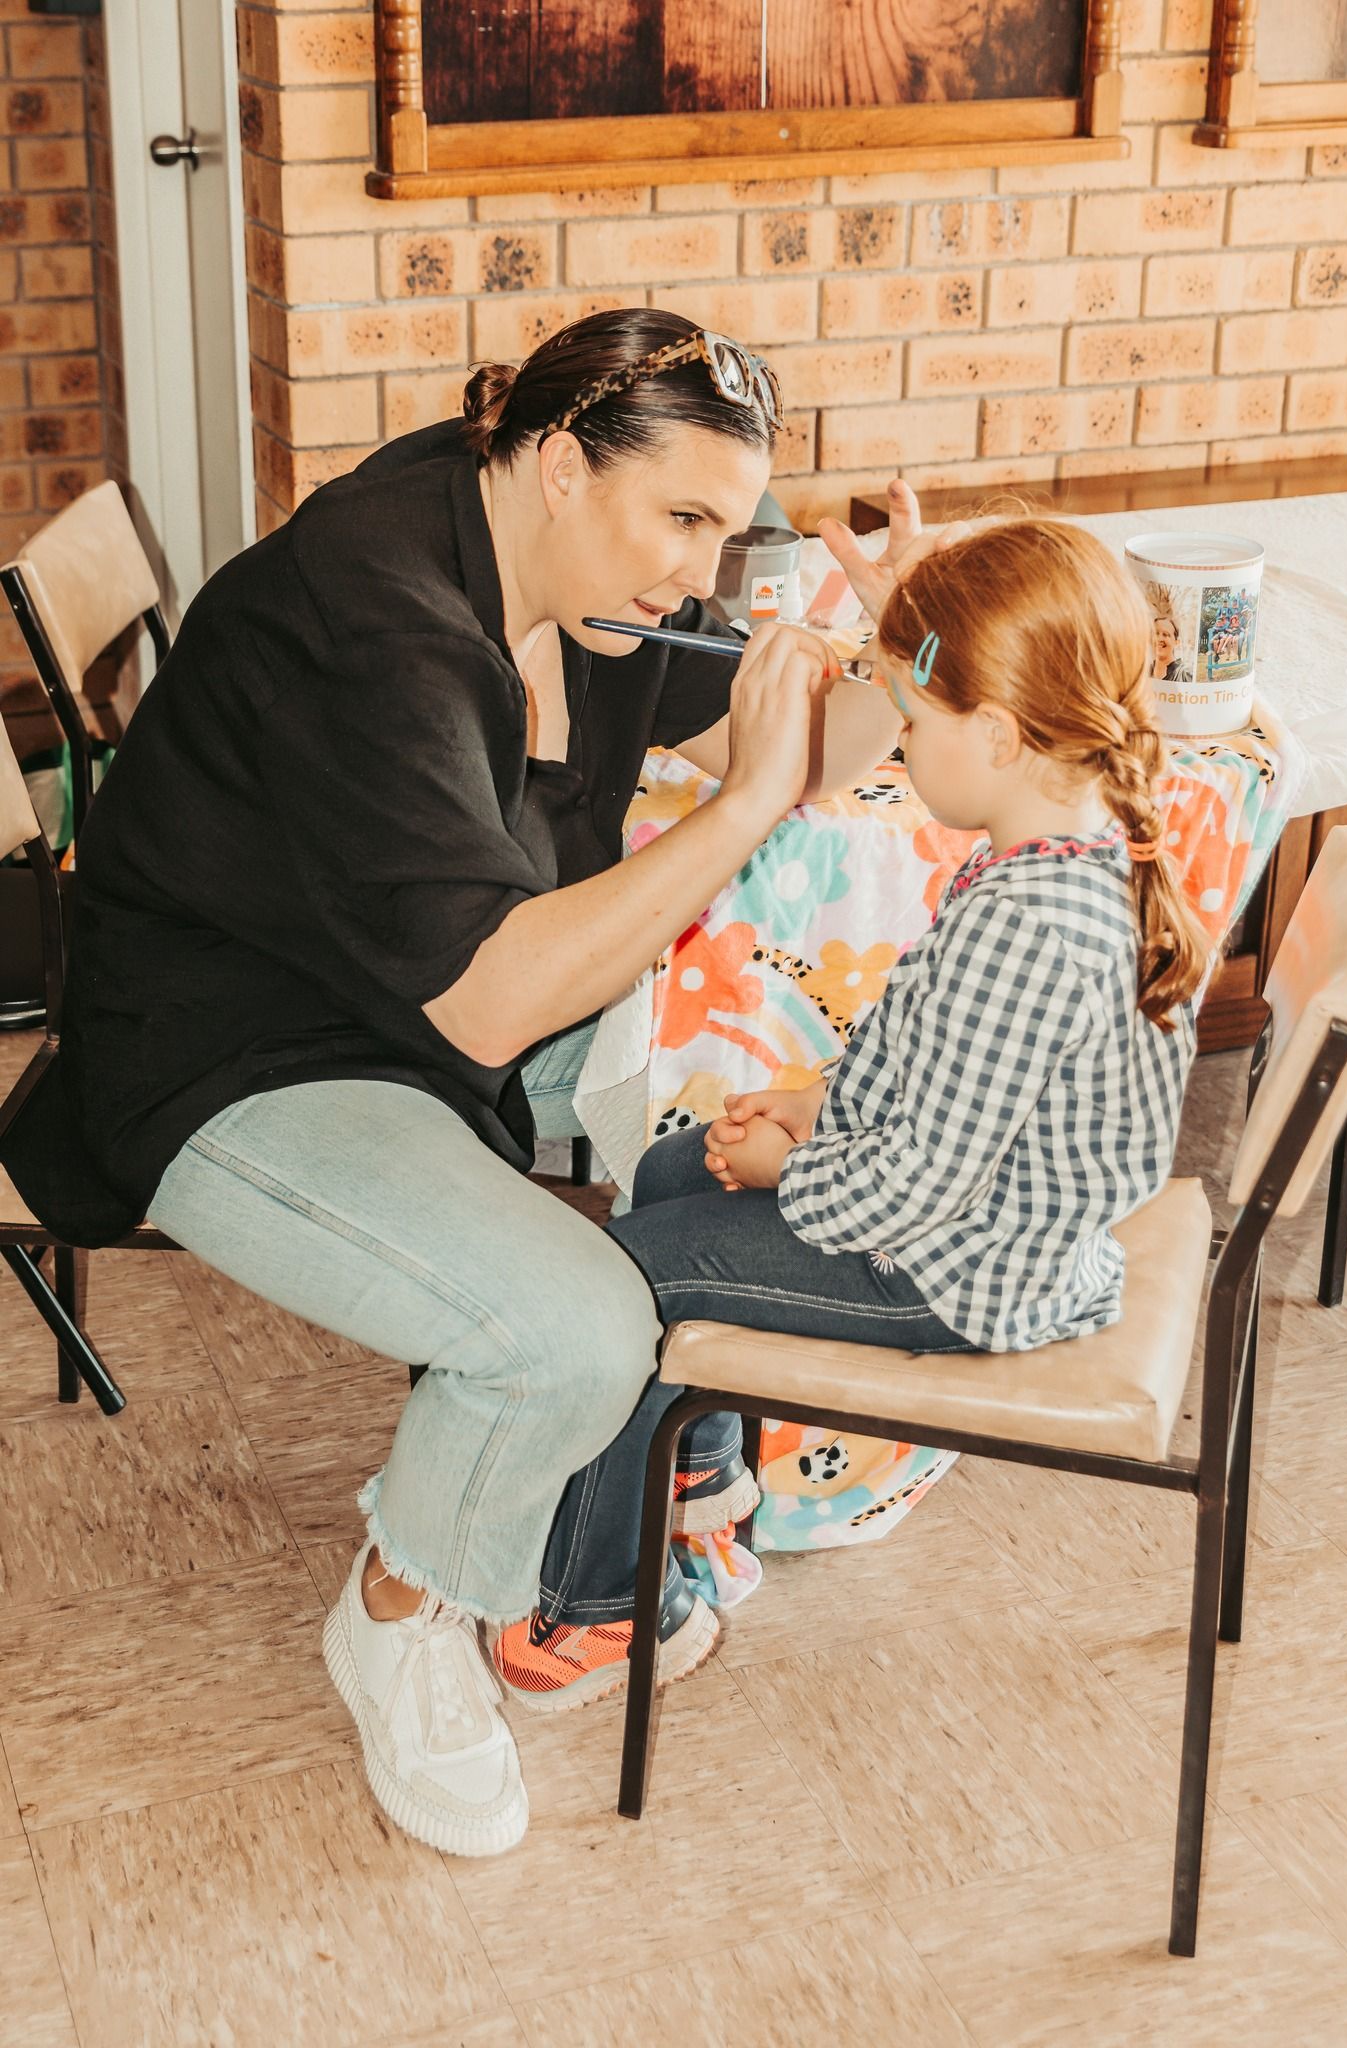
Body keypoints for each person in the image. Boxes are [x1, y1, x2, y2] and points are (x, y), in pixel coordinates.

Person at [0, 309, 914, 1857]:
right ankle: (403, 1612)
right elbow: (491, 1003)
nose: (703, 571)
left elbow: (819, 749)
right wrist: (747, 803)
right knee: (574, 1328)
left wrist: (905, 635)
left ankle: (624, 1479)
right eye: (682, 517)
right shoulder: (376, 627)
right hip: (235, 1053)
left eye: (729, 526)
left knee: (737, 1054)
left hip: (402, 1000)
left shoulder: (571, 564)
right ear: (560, 461)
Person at [493, 517, 1214, 1711]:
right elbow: (956, 1075)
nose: (904, 748)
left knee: (625, 1276)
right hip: (972, 1227)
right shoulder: (1065, 855)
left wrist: (791, 1165)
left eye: (915, 724)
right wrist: (817, 1101)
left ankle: (601, 1611)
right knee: (674, 1171)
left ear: (993, 732)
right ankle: (701, 1492)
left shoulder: (1026, 922)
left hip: (951, 1270)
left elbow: (922, 1180)